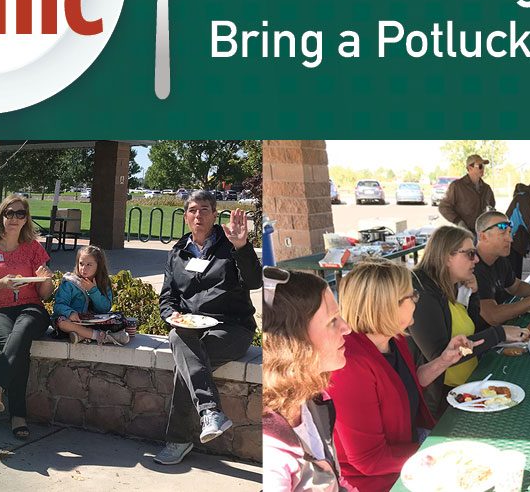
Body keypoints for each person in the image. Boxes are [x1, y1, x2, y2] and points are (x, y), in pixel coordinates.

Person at [324, 261, 477, 492]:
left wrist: (444, 360)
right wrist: (441, 453)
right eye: (412, 295)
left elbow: (404, 385)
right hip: (380, 482)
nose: (417, 300)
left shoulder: (394, 339)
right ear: (387, 305)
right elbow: (368, 461)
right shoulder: (349, 365)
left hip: (409, 449)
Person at [154, 191, 257, 466]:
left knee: (186, 362)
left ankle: (178, 440)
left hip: (232, 327)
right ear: (185, 216)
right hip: (191, 327)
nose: (198, 215)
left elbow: (254, 281)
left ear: (214, 214)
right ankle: (210, 412)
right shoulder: (177, 252)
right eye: (192, 210)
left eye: (204, 210)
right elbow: (167, 297)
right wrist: (171, 314)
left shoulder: (230, 246)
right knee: (180, 337)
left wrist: (243, 247)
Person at [408, 225, 527, 417]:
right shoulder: (423, 293)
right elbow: (441, 356)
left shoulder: (452, 285)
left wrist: (473, 294)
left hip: (468, 385)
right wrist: (499, 333)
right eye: (470, 254)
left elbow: (472, 329)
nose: (477, 259)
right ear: (447, 257)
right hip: (441, 400)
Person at [0, 194, 58, 441]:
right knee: (18, 346)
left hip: (30, 308)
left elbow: (44, 294)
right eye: (10, 213)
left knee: (24, 328)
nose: (14, 218)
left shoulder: (34, 248)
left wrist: (47, 280)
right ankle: (18, 416)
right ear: (1, 215)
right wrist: (1, 283)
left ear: (26, 218)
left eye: (20, 214)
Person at [260, 267, 356, 491]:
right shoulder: (272, 461)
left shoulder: (311, 399)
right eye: (332, 320)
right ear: (293, 341)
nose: (347, 328)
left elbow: (334, 482)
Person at [468, 212, 530, 329]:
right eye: (503, 233)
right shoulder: (472, 267)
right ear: (483, 237)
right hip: (474, 339)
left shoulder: (500, 260)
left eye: (509, 233)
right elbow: (493, 316)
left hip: (499, 331)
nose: (510, 239)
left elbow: (516, 286)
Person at [51, 245, 134, 346]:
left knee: (118, 318)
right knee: (62, 323)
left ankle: (82, 336)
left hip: (93, 321)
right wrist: (70, 313)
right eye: (81, 264)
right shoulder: (70, 283)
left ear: (99, 266)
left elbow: (105, 308)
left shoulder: (103, 282)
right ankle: (101, 336)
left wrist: (93, 291)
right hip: (73, 321)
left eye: (89, 264)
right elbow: (59, 305)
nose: (83, 268)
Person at [438, 155, 495, 230]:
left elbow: (492, 206)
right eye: (480, 166)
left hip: (483, 233)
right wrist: (458, 222)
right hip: (465, 234)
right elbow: (443, 207)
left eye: (483, 166)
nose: (483, 168)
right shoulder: (457, 186)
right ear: (470, 168)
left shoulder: (487, 188)